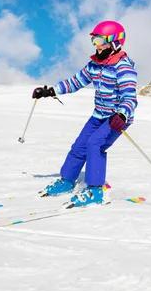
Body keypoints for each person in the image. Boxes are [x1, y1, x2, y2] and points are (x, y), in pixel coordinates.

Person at [32, 20, 138, 207]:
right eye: (94, 41)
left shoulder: (124, 68)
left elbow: (130, 96)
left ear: (115, 43)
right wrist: (51, 91)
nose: (96, 46)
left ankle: (96, 191)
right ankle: (67, 181)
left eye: (100, 41)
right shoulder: (94, 65)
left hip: (116, 119)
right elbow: (75, 82)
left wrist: (122, 114)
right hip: (98, 115)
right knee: (80, 146)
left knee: (95, 144)